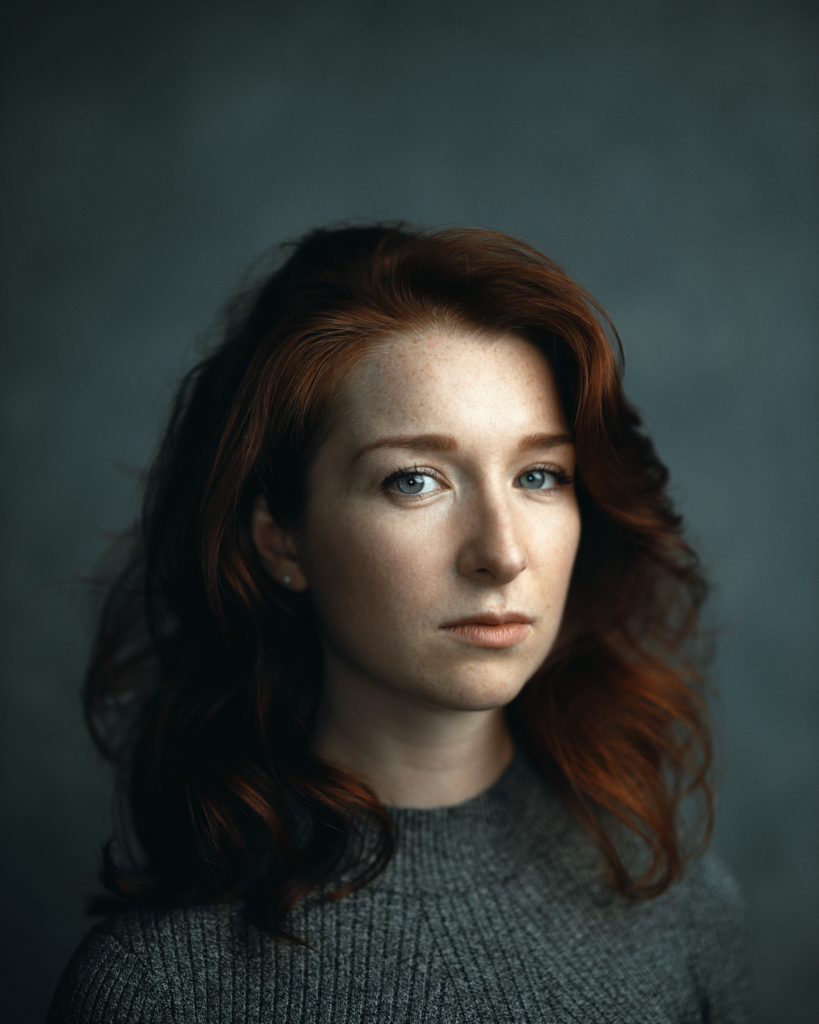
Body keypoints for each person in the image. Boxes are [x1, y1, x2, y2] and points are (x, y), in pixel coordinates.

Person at [48, 224, 749, 1023]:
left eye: (538, 475)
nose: (501, 553)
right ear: (281, 536)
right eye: (414, 480)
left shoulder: (679, 905)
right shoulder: (158, 987)